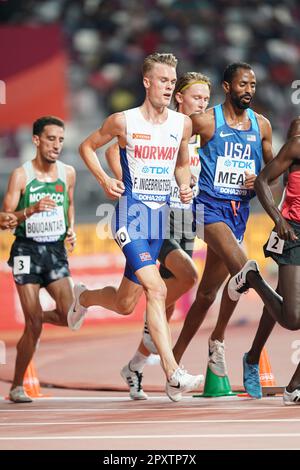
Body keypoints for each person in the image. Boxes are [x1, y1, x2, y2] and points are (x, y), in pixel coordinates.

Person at [67, 53, 203, 402]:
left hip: (159, 219)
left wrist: (185, 184)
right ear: (147, 82)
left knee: (126, 303)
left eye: (172, 82)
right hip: (131, 216)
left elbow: (182, 164)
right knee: (156, 290)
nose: (168, 86)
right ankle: (173, 373)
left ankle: (82, 296)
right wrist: (104, 179)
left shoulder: (181, 125)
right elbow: (87, 147)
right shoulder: (123, 121)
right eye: (162, 80)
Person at [105, 72, 211, 400]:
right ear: (179, 97)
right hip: (158, 217)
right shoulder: (163, 125)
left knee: (151, 303)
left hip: (188, 220)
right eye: (197, 98)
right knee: (179, 280)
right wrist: (124, 180)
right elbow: (112, 149)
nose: (203, 104)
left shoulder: (201, 131)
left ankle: (137, 364)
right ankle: (170, 369)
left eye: (207, 100)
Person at [171, 62, 274, 377]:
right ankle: (279, 310)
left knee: (205, 295)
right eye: (242, 84)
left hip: (238, 213)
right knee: (245, 268)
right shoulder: (204, 122)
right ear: (228, 87)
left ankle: (181, 357)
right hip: (207, 208)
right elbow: (176, 150)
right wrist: (184, 177)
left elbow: (274, 173)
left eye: (253, 85)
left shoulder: (263, 126)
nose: (249, 91)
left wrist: (258, 178)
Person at [3, 116, 76, 403]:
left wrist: (70, 229)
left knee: (71, 315)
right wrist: (28, 212)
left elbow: (69, 203)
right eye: (50, 139)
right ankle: (17, 386)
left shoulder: (68, 173)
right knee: (33, 324)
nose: (56, 145)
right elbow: (3, 219)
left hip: (55, 250)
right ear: (36, 140)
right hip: (26, 250)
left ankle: (35, 319)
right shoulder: (21, 176)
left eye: (60, 139)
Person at [228, 117, 300, 404]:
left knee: (284, 306)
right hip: (293, 231)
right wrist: (278, 218)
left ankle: (294, 386)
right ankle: (253, 277)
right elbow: (262, 182)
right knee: (292, 318)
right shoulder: (296, 144)